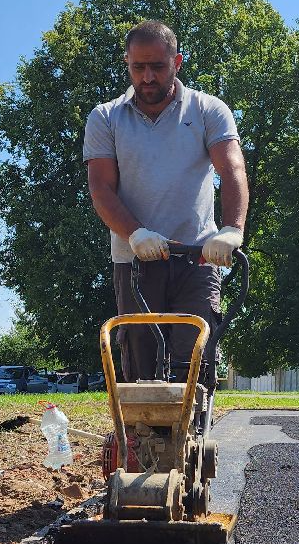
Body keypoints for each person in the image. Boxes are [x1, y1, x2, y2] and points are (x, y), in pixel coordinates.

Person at [84, 20, 247, 389]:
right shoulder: (106, 117)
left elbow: (233, 168)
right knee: (140, 367)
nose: (147, 77)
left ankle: (191, 436)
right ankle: (143, 444)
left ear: (177, 62)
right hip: (136, 259)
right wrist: (136, 233)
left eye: (157, 66)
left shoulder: (208, 110)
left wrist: (231, 230)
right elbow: (101, 189)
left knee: (196, 358)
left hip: (198, 256)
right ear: (126, 63)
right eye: (138, 67)